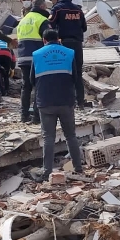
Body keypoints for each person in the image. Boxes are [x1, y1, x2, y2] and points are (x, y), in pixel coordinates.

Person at [30, 29, 83, 179]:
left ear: (44, 40)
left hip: (45, 102)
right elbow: (75, 77)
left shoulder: (37, 54)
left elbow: (31, 80)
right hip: (66, 100)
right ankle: (78, 168)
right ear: (59, 39)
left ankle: (47, 171)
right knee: (71, 136)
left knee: (48, 137)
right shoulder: (69, 53)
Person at [48, 0, 87, 107]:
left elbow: (50, 25)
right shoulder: (78, 10)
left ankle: (67, 101)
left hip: (64, 44)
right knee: (78, 73)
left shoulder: (57, 9)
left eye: (52, 1)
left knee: (65, 73)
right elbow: (84, 28)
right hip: (77, 44)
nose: (52, 4)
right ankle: (80, 101)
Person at [15, 0, 49, 123]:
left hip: (23, 57)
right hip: (37, 58)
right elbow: (48, 39)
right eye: (45, 7)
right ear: (41, 7)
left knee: (26, 86)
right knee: (38, 86)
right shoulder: (41, 20)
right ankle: (36, 117)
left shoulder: (23, 20)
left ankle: (24, 116)